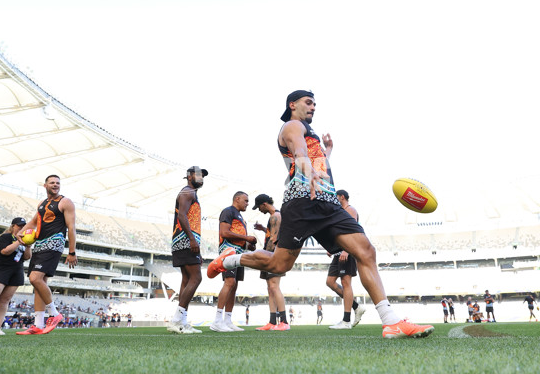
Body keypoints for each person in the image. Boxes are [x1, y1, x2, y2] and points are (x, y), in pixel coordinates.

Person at [208, 90, 434, 339]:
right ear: (292, 105)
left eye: (315, 103)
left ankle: (391, 321)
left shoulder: (310, 132)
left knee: (366, 251)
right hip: (302, 203)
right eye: (308, 102)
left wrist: (327, 152)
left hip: (328, 204)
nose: (313, 107)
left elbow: (315, 159)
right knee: (278, 264)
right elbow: (300, 153)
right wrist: (309, 171)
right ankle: (230, 259)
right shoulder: (292, 126)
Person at [15, 174, 78, 335]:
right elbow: (33, 221)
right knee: (38, 283)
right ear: (45, 186)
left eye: (58, 183)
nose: (55, 185)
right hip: (40, 243)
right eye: (52, 183)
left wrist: (72, 252)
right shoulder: (42, 204)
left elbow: (71, 228)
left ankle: (55, 314)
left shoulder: (65, 202)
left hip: (54, 242)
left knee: (34, 278)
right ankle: (37, 324)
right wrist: (20, 233)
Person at [168, 166, 208, 335]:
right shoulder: (187, 192)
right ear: (190, 176)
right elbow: (182, 216)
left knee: (186, 279)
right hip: (184, 239)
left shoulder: (190, 193)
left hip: (182, 240)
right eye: (199, 175)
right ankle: (177, 320)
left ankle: (182, 321)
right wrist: (192, 239)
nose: (201, 178)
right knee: (196, 278)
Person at [209, 191, 257, 332]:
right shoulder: (228, 211)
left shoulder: (241, 217)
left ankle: (228, 320)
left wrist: (248, 245)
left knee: (234, 286)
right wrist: (247, 238)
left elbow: (238, 238)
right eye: (246, 200)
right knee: (229, 282)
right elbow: (224, 233)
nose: (247, 203)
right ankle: (217, 320)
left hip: (239, 252)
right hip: (228, 251)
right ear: (237, 199)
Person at [327, 190, 366, 330]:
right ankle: (356, 306)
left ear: (342, 197)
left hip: (347, 251)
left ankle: (346, 320)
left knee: (345, 282)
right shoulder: (339, 212)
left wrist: (346, 250)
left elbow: (352, 231)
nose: (335, 200)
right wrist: (332, 248)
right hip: (338, 251)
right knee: (330, 282)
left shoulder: (351, 210)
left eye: (336, 197)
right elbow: (339, 232)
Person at [253, 194, 290, 331]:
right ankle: (272, 321)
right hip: (272, 254)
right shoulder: (275, 216)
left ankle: (284, 322)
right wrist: (264, 229)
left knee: (274, 287)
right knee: (270, 288)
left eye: (259, 207)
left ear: (264, 204)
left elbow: (273, 240)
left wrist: (265, 257)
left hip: (273, 255)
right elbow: (274, 234)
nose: (259, 210)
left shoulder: (275, 216)